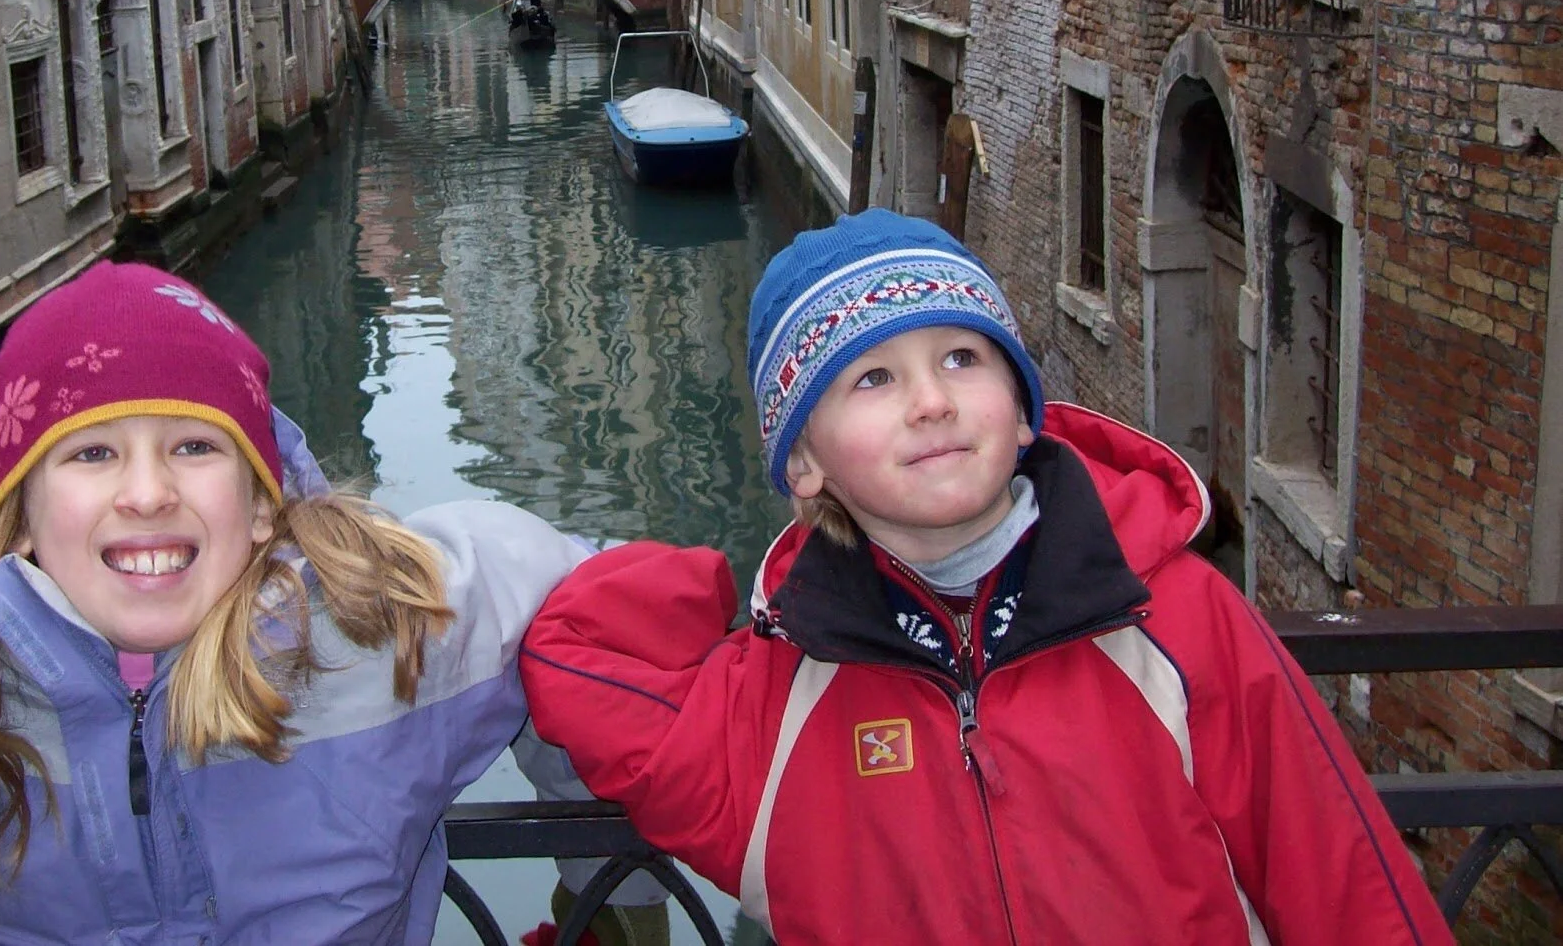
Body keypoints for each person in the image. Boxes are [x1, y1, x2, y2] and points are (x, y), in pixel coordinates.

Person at [520, 210, 1454, 945]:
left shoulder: (1175, 617)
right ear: (802, 462)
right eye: (873, 378)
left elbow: (1342, 880)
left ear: (1021, 410)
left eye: (961, 358)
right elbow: (574, 650)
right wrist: (709, 588)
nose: (932, 401)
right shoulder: (774, 697)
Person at [0, 260, 623, 944]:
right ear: (21, 517)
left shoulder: (380, 629)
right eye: (92, 454)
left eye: (194, 447)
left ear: (262, 501)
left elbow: (575, 616)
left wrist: (601, 899)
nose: (148, 494)